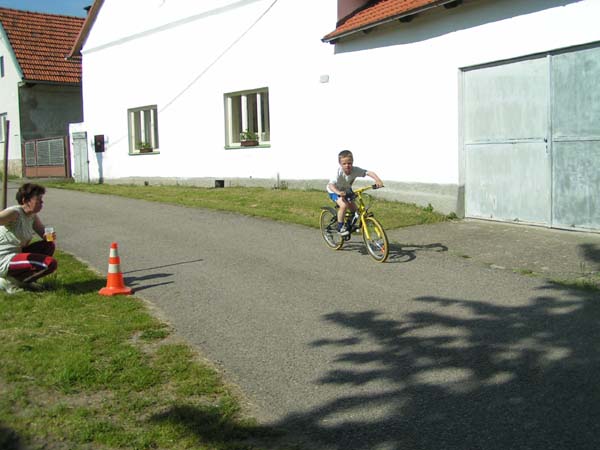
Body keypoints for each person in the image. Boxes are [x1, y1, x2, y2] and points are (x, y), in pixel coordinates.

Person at [0, 183, 58, 293]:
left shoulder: (32, 216)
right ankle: (16, 282)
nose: (42, 203)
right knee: (50, 264)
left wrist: (48, 236)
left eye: (41, 200)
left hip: (17, 253)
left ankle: (18, 279)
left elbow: (43, 232)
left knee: (49, 245)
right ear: (25, 200)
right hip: (4, 258)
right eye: (38, 200)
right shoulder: (15, 213)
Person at [327, 150, 384, 236]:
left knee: (355, 210)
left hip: (346, 189)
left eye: (349, 163)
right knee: (344, 205)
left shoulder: (355, 170)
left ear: (352, 162)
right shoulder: (338, 173)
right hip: (334, 190)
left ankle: (348, 225)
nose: (347, 166)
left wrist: (378, 180)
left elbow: (368, 172)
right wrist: (338, 192)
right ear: (340, 164)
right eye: (344, 164)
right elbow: (331, 185)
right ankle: (340, 227)